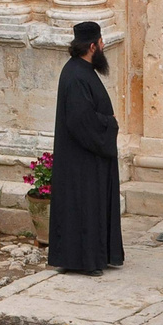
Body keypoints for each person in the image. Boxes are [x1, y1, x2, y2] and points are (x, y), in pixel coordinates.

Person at [48, 20, 123, 276]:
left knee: (86, 206)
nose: (103, 46)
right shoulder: (77, 75)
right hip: (83, 157)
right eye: (101, 43)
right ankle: (84, 260)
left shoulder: (80, 70)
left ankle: (89, 257)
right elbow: (81, 120)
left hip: (85, 156)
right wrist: (109, 124)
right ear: (92, 46)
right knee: (84, 206)